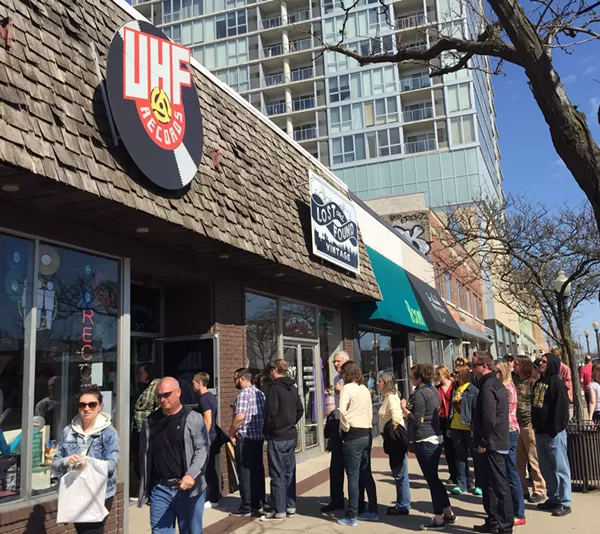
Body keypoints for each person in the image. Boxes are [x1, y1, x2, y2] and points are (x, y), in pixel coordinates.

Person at [138, 377, 209, 534]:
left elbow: (202, 449)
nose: (162, 399)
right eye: (159, 396)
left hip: (188, 490)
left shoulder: (193, 418)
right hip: (160, 490)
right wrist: (145, 486)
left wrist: (191, 475)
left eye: (167, 395)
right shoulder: (150, 422)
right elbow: (144, 454)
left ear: (178, 393)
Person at [53, 386, 119, 534]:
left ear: (100, 406)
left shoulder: (108, 433)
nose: (87, 409)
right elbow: (56, 462)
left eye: (92, 404)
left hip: (100, 492)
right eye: (82, 405)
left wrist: (88, 463)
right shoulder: (68, 431)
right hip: (75, 490)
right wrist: (67, 460)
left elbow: (112, 464)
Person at [402, 364, 455, 531]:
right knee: (435, 479)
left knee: (432, 480)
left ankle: (438, 518)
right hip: (434, 438)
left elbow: (417, 420)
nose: (409, 379)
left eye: (411, 376)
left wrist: (405, 409)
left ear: (418, 378)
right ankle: (448, 511)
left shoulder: (420, 394)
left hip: (425, 440)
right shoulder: (432, 390)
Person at [471, 351, 514, 534]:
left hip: (493, 443)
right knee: (489, 484)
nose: (472, 369)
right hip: (495, 441)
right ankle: (493, 521)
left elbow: (489, 418)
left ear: (484, 366)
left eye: (474, 365)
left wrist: (483, 441)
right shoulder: (492, 384)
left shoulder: (489, 386)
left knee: (499, 485)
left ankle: (505, 527)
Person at [261, 359, 303, 522]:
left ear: (274, 370)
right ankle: (290, 506)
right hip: (290, 435)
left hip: (278, 436)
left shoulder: (273, 389)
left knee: (277, 473)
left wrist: (270, 429)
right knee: (289, 472)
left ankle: (279, 509)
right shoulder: (292, 387)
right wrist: (290, 422)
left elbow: (270, 414)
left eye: (270, 369)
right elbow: (300, 409)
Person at [337, 361, 378, 526]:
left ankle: (352, 515)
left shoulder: (347, 388)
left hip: (352, 433)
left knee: (352, 476)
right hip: (365, 433)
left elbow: (342, 411)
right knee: (366, 473)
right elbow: (369, 412)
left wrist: (345, 428)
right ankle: (373, 509)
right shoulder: (364, 389)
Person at [532, 353, 572, 517]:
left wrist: (554, 429)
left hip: (554, 434)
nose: (541, 363)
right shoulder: (539, 383)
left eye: (544, 361)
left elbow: (562, 412)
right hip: (540, 433)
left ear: (553, 364)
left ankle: (565, 502)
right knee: (546, 468)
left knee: (560, 468)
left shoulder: (557, 384)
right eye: (541, 361)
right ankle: (553, 498)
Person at [228, 368, 266, 517]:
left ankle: (247, 506)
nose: (234, 382)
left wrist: (231, 433)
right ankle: (258, 502)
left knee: (245, 472)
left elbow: (240, 417)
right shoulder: (260, 393)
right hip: (258, 436)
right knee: (257, 470)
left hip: (245, 437)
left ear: (242, 379)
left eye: (235, 379)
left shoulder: (243, 395)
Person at [494, 361, 526, 526]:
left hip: (509, 430)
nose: (496, 375)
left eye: (498, 372)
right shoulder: (504, 388)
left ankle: (519, 512)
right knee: (507, 471)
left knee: (511, 471)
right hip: (506, 430)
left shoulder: (507, 389)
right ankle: (512, 509)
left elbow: (501, 411)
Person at [513, 357, 546, 504]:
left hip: (529, 424)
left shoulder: (533, 382)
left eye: (517, 364)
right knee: (518, 460)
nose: (514, 366)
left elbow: (538, 403)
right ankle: (522, 488)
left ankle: (539, 489)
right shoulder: (514, 382)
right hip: (516, 424)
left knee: (534, 459)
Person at [378, 372, 410, 516]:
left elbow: (396, 416)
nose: (377, 384)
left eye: (380, 381)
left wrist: (393, 429)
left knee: (400, 473)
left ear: (386, 383)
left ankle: (403, 505)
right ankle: (401, 502)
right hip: (390, 439)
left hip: (396, 440)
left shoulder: (392, 398)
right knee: (398, 472)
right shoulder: (386, 397)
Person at [321, 351, 350, 513]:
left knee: (353, 468)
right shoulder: (336, 379)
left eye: (338, 361)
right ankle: (336, 500)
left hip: (351, 427)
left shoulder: (352, 380)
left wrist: (341, 391)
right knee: (336, 466)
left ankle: (357, 502)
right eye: (334, 362)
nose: (336, 364)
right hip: (338, 424)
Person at [448, 365, 481, 496]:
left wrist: (475, 428)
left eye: (456, 372)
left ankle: (480, 484)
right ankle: (462, 483)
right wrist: (448, 426)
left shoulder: (472, 390)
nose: (454, 375)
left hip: (468, 427)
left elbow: (475, 410)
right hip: (456, 426)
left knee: (476, 457)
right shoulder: (454, 389)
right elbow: (451, 409)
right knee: (460, 457)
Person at [192, 372, 220, 509]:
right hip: (212, 436)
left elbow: (207, 421)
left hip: (208, 438)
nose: (192, 385)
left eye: (193, 383)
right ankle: (214, 496)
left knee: (207, 469)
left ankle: (211, 497)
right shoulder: (211, 397)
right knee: (210, 468)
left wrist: (203, 438)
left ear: (199, 383)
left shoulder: (204, 399)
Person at [132, 364, 160, 495]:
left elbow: (160, 409)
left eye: (141, 373)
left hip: (150, 430)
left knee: (147, 459)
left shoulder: (156, 386)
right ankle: (141, 487)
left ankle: (149, 490)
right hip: (138, 429)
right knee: (137, 457)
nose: (138, 376)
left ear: (148, 374)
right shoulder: (142, 388)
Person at [436, 365, 458, 486]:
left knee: (457, 448)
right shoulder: (437, 388)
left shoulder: (454, 386)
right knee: (448, 448)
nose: (436, 377)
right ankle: (453, 473)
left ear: (444, 374)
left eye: (438, 375)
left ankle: (463, 474)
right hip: (442, 418)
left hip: (453, 417)